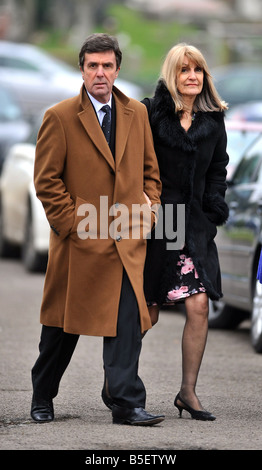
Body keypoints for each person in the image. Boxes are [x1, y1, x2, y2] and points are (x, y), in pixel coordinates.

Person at [30, 33, 164, 426]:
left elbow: (150, 174)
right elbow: (47, 182)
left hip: (125, 242)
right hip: (78, 244)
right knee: (60, 331)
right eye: (93, 66)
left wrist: (149, 214)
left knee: (127, 326)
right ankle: (43, 394)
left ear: (117, 69)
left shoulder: (136, 114)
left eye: (107, 65)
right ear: (82, 70)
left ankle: (126, 403)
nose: (100, 73)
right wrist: (72, 226)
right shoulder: (59, 116)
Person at [142, 43, 229, 421]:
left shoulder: (214, 119)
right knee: (150, 310)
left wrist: (212, 210)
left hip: (193, 225)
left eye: (198, 70)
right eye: (184, 70)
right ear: (172, 75)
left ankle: (187, 392)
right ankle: (118, 378)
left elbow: (218, 170)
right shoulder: (150, 113)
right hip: (161, 221)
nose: (192, 76)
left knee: (199, 305)